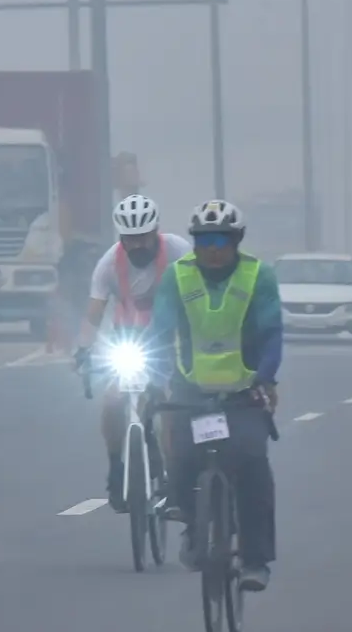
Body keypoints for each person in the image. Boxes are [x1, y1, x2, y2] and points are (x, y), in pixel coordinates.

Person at [143, 199, 283, 592]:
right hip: (192, 391)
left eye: (222, 239)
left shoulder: (260, 276)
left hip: (243, 390)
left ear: (236, 240)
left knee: (253, 465)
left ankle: (255, 561)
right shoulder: (177, 276)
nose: (213, 248)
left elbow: (272, 335)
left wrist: (266, 378)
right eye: (204, 240)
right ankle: (193, 524)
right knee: (184, 458)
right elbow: (159, 332)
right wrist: (156, 377)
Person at [74, 194, 193, 512]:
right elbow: (94, 313)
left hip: (172, 338)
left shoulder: (180, 250)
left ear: (156, 231)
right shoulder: (108, 265)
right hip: (130, 339)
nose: (138, 245)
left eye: (144, 237)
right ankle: (116, 467)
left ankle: (172, 478)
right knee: (113, 401)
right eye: (131, 239)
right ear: (121, 239)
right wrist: (83, 350)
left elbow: (199, 288)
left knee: (170, 408)